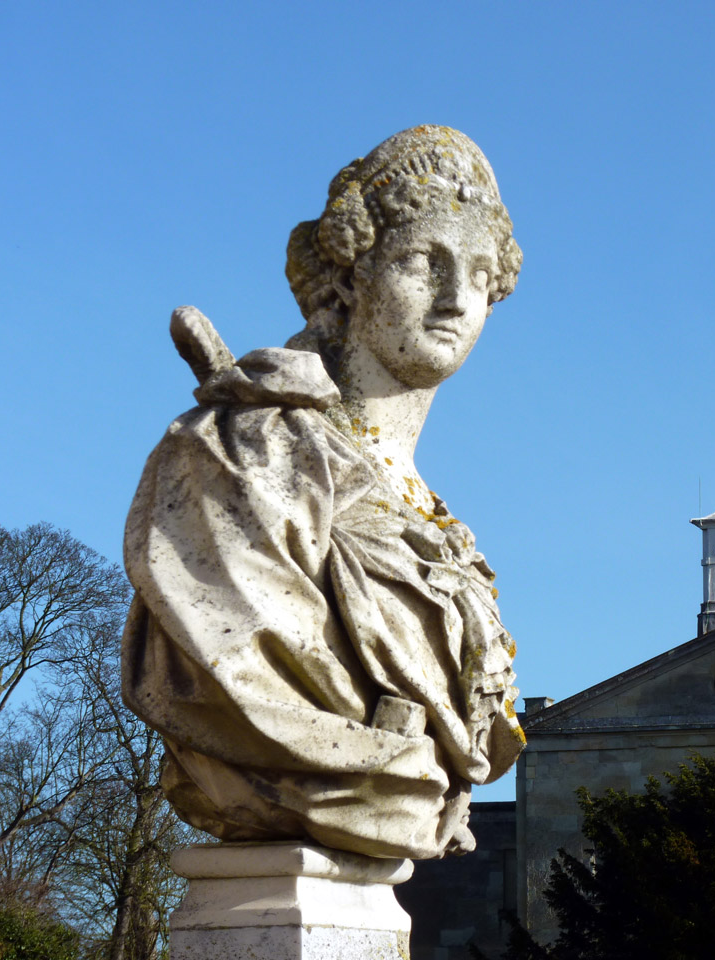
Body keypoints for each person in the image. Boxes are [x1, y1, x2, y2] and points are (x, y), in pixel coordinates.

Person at [122, 126, 525, 861]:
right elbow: (238, 671)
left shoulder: (434, 518)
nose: (453, 299)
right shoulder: (247, 454)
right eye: (420, 262)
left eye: (476, 273)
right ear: (348, 278)